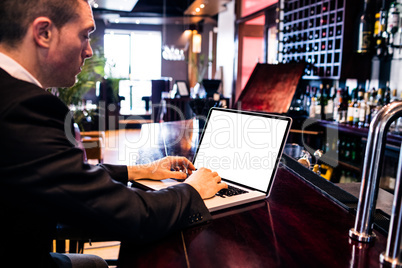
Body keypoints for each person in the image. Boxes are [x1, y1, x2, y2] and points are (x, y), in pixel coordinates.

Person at [0, 0, 228, 267]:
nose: (88, 51)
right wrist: (192, 189)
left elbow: (64, 175)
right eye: (85, 35)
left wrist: (141, 170)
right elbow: (130, 217)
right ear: (44, 33)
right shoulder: (23, 108)